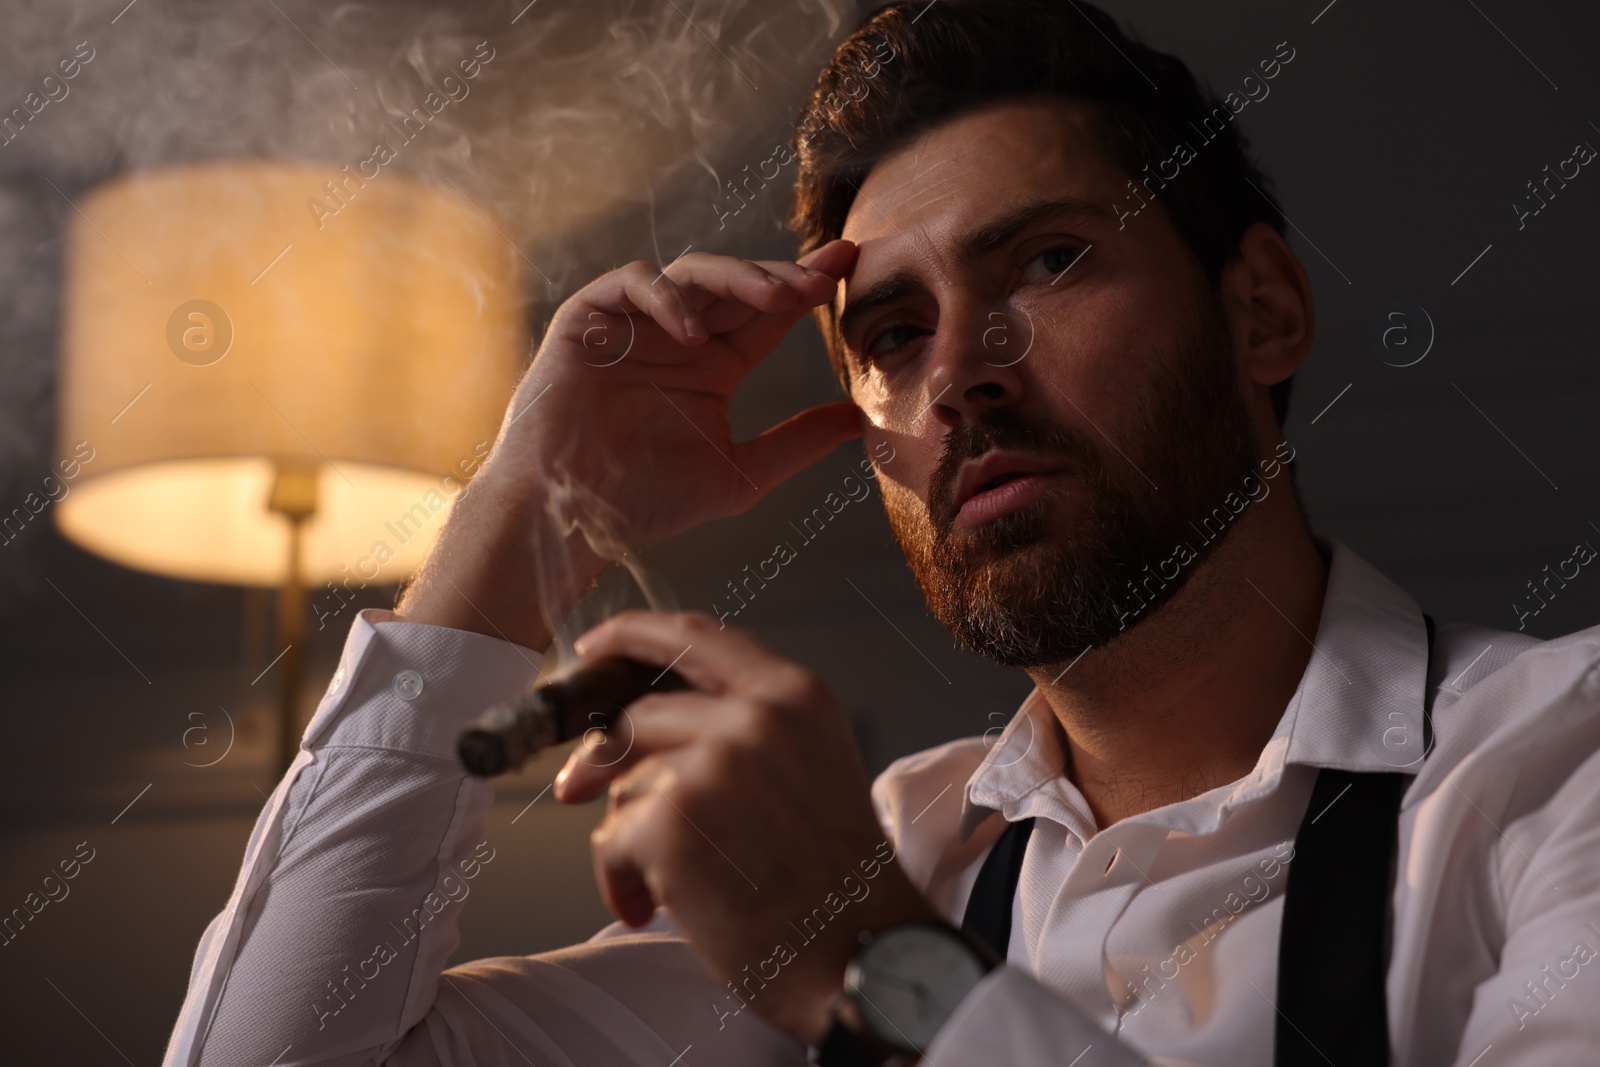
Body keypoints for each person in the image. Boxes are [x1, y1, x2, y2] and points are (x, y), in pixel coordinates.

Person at [164, 2, 1600, 1065]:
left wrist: (876, 965)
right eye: (893, 330)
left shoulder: (1558, 767)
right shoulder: (880, 850)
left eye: (1047, 260)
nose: (960, 371)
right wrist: (521, 510)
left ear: (1262, 308)